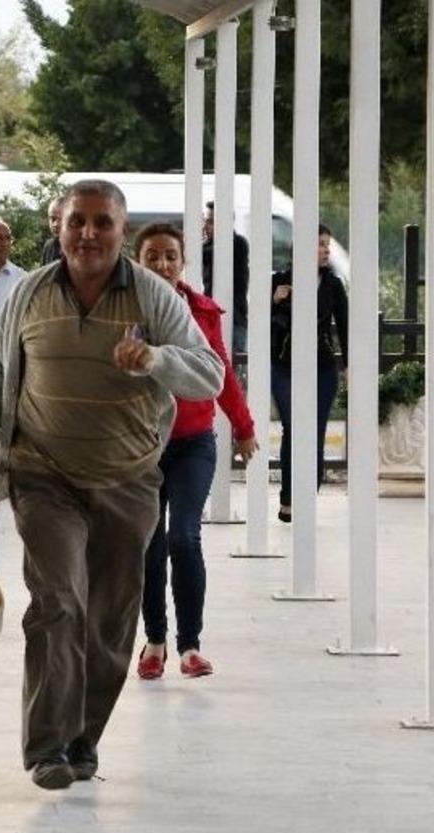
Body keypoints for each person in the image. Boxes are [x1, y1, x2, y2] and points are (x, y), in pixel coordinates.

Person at [0, 180, 224, 789]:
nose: (89, 234)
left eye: (102, 223)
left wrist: (153, 360)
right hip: (43, 474)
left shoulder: (153, 297)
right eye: (78, 222)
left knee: (108, 620)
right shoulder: (29, 293)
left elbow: (209, 373)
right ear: (59, 228)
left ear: (123, 233)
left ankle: (82, 739)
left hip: (127, 480)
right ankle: (46, 747)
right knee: (58, 604)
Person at [133, 223, 258, 681]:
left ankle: (190, 646)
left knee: (184, 536)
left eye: (170, 256)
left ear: (183, 261)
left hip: (193, 443)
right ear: (137, 261)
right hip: (142, 445)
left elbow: (221, 372)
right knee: (149, 543)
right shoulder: (124, 310)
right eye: (152, 257)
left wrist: (244, 429)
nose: (162, 265)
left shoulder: (202, 312)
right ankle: (155, 641)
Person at [270, 223, 349, 523]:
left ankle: (308, 495)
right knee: (294, 427)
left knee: (314, 430)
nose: (327, 250)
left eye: (327, 244)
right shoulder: (279, 281)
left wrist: (350, 366)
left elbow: (345, 326)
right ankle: (289, 497)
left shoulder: (333, 285)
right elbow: (258, 323)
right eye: (320, 244)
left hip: (322, 366)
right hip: (283, 364)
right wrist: (273, 299)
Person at [202, 201, 250, 355]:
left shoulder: (237, 243)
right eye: (206, 221)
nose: (206, 226)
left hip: (234, 321)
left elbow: (206, 254)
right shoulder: (209, 245)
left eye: (210, 222)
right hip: (212, 319)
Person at [41, 195, 64, 264]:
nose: (55, 224)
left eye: (61, 219)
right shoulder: (49, 246)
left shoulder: (81, 247)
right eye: (53, 219)